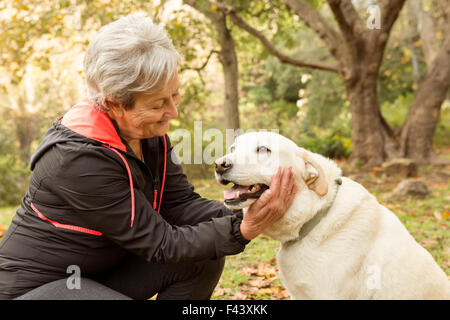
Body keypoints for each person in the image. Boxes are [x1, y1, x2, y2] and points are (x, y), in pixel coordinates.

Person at [0, 15, 297, 300]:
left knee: (203, 258)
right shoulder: (76, 161)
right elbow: (162, 243)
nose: (173, 112)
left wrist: (252, 211)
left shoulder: (145, 132)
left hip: (100, 274)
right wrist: (243, 229)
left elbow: (180, 204)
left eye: (175, 96)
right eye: (158, 105)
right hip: (43, 288)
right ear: (114, 103)